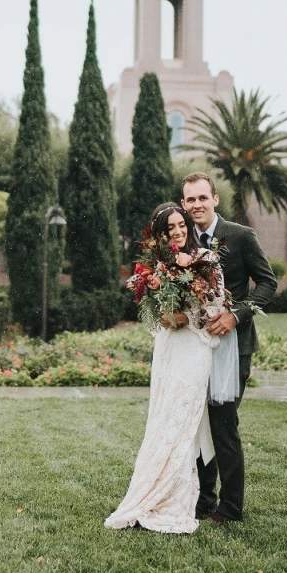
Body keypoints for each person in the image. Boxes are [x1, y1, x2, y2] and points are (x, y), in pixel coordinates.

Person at [104, 203, 229, 534]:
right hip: (169, 348)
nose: (177, 231)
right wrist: (163, 316)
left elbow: (216, 307)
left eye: (181, 224)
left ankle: (174, 500)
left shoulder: (206, 259)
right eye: (169, 227)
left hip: (194, 348)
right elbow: (151, 308)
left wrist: (186, 318)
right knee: (161, 418)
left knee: (182, 421)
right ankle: (151, 496)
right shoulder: (156, 267)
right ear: (160, 234)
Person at [181, 172, 277, 525]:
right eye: (190, 200)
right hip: (194, 348)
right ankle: (202, 501)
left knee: (223, 425)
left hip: (232, 347)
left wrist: (236, 315)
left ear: (215, 199)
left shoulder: (240, 236)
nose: (196, 205)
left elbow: (268, 283)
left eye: (202, 198)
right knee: (197, 424)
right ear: (183, 204)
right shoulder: (182, 241)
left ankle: (230, 507)